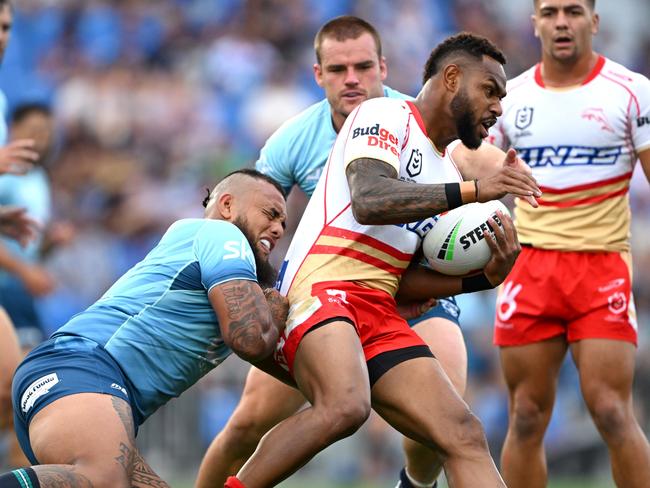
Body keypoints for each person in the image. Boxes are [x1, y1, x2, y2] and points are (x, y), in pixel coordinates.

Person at [196, 16, 528, 488]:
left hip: (379, 307)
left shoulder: (443, 166)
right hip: (320, 291)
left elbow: (399, 278)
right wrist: (474, 191)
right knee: (343, 406)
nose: (497, 107)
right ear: (452, 78)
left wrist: (485, 278)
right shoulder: (381, 115)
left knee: (463, 433)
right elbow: (371, 201)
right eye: (490, 90)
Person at [0, 169, 290, 488]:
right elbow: (250, 339)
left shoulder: (207, 254)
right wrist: (276, 309)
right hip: (82, 368)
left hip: (87, 395)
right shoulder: (223, 236)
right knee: (104, 479)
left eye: (283, 224)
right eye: (270, 214)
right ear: (227, 205)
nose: (277, 229)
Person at [488, 1, 650, 487]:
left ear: (594, 22)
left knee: (611, 411)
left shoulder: (632, 91)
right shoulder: (508, 98)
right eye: (551, 11)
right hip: (530, 268)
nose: (562, 21)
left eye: (574, 10)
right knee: (527, 415)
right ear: (535, 22)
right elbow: (476, 177)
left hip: (601, 267)